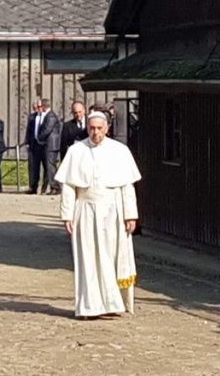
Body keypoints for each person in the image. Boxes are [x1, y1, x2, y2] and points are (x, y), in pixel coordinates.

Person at [56, 111, 141, 318]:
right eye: (92, 128)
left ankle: (113, 303)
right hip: (85, 210)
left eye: (99, 128)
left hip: (113, 211)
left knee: (112, 256)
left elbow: (127, 187)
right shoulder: (77, 151)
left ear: (107, 128)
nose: (95, 133)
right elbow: (68, 186)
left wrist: (131, 215)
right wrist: (67, 215)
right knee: (88, 258)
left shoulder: (120, 151)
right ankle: (90, 306)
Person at [36, 98, 61, 195]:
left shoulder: (51, 116)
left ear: (43, 106)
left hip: (51, 145)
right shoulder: (47, 116)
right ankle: (49, 186)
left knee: (50, 166)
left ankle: (55, 186)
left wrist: (39, 138)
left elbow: (47, 130)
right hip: (48, 145)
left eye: (40, 106)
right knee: (48, 166)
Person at [24, 99, 43, 194]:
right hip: (33, 144)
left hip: (43, 145)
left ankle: (45, 186)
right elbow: (29, 131)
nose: (36, 110)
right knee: (32, 167)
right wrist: (27, 142)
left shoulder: (46, 117)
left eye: (38, 108)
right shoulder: (32, 117)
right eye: (34, 108)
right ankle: (33, 186)